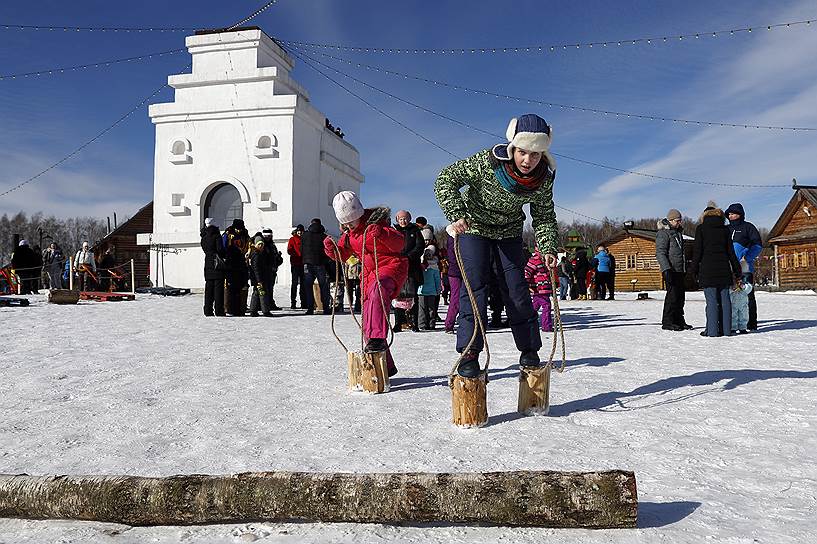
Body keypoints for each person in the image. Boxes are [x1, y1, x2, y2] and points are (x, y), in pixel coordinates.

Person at [435, 113, 558, 377]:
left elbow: (544, 215)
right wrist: (456, 213)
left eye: (535, 154)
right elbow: (446, 179)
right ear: (513, 147)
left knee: (516, 291)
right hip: (474, 229)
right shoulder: (487, 162)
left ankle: (529, 350)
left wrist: (547, 247)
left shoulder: (544, 178)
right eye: (523, 152)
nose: (528, 160)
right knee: (474, 288)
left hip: (509, 234)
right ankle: (469, 353)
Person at [324, 191, 408, 377]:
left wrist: (382, 234)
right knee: (369, 315)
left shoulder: (377, 224)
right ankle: (386, 364)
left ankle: (378, 339)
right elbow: (345, 257)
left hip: (390, 267)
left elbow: (399, 243)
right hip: (368, 275)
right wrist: (332, 249)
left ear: (360, 214)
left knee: (379, 292)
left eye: (351, 220)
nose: (348, 225)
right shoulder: (348, 235)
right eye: (345, 222)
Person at [691, 204, 742, 337]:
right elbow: (731, 253)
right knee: (725, 300)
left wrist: (692, 270)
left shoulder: (701, 229)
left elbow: (697, 252)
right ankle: (726, 330)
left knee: (712, 301)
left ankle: (712, 331)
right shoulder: (725, 230)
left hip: (707, 270)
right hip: (724, 269)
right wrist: (737, 271)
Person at [725, 203, 762, 331]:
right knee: (730, 295)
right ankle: (731, 323)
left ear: (740, 214)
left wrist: (747, 258)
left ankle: (751, 323)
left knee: (747, 295)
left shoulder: (748, 227)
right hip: (729, 267)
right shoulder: (726, 229)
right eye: (729, 214)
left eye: (733, 213)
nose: (730, 216)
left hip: (744, 267)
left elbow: (757, 245)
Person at [656, 209, 691, 331]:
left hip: (680, 269)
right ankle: (668, 321)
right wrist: (666, 269)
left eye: (680, 220)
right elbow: (660, 253)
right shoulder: (663, 233)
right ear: (670, 220)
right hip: (671, 269)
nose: (680, 223)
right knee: (672, 296)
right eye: (677, 220)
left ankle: (679, 320)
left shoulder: (678, 233)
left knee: (680, 296)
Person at [392, 210, 424, 333]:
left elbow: (419, 246)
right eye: (400, 219)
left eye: (405, 219)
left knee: (412, 296)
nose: (403, 221)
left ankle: (414, 323)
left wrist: (409, 256)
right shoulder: (395, 231)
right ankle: (398, 323)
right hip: (398, 268)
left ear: (409, 219)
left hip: (412, 267)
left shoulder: (415, 231)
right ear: (397, 220)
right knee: (397, 296)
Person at [301, 218, 332, 315]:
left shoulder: (305, 236)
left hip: (307, 264)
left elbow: (301, 250)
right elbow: (327, 252)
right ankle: (326, 308)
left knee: (308, 286)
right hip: (320, 263)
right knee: (323, 286)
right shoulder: (324, 236)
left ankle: (310, 308)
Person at [223, 219, 250, 316]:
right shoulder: (229, 234)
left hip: (241, 263)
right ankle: (229, 308)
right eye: (237, 229)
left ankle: (240, 308)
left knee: (241, 286)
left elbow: (248, 246)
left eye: (240, 229)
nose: (238, 231)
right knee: (230, 287)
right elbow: (224, 247)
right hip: (231, 263)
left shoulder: (245, 235)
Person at [200, 217, 226, 317]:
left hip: (208, 264)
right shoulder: (216, 235)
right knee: (218, 290)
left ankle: (208, 310)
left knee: (208, 290)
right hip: (217, 265)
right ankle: (219, 310)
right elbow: (220, 250)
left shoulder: (204, 236)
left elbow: (205, 249)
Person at [525, 249, 554, 332]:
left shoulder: (545, 259)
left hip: (544, 288)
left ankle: (527, 322)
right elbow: (527, 271)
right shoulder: (535, 260)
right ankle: (546, 326)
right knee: (546, 306)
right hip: (539, 288)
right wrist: (526, 283)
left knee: (534, 307)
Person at [417, 237, 442, 330]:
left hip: (431, 291)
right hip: (422, 291)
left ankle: (431, 324)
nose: (428, 256)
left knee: (431, 309)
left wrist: (438, 289)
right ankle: (422, 324)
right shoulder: (421, 266)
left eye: (430, 254)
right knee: (422, 309)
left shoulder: (434, 267)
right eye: (427, 254)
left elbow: (437, 279)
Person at [248, 235, 272, 317]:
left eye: (262, 244)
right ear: (255, 245)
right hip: (259, 279)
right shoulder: (256, 254)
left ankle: (253, 310)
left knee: (256, 293)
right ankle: (265, 311)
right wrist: (259, 280)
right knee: (262, 293)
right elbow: (256, 269)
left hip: (258, 278)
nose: (261, 246)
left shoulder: (259, 253)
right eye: (259, 244)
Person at [261, 228, 284, 311]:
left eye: (270, 236)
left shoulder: (272, 245)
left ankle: (269, 303)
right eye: (266, 236)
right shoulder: (262, 245)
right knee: (265, 289)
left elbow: (274, 258)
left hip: (272, 270)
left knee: (270, 289)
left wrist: (278, 258)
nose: (268, 237)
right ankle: (264, 304)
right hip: (265, 271)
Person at [444, 234, 462, 333]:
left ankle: (466, 321)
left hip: (467, 271)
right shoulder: (453, 236)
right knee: (456, 298)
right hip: (456, 272)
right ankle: (449, 324)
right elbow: (452, 256)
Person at [730, 261, 753, 334]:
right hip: (733, 302)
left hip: (743, 303)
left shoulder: (744, 283)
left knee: (744, 315)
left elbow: (749, 288)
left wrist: (743, 286)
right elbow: (728, 291)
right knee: (733, 315)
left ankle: (743, 327)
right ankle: (733, 327)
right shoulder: (731, 283)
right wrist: (732, 289)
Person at [287, 225, 305, 310]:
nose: (300, 233)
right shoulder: (292, 239)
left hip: (303, 264)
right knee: (294, 284)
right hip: (295, 264)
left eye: (301, 231)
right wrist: (297, 254)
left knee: (303, 285)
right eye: (298, 231)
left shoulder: (305, 239)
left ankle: (303, 302)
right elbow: (289, 250)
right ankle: (293, 302)